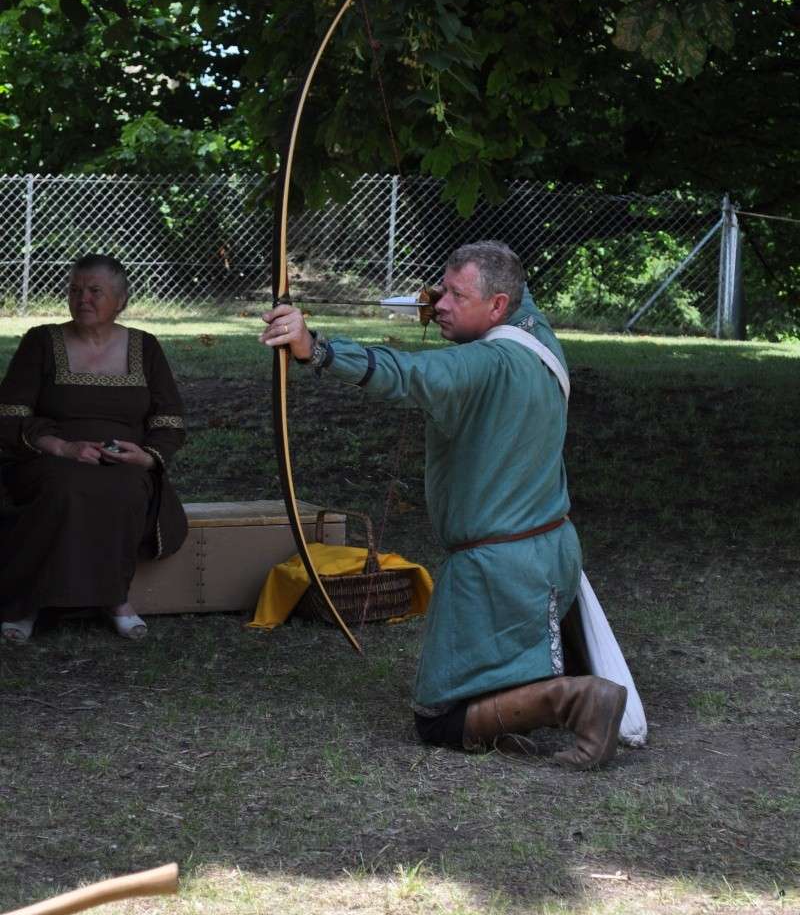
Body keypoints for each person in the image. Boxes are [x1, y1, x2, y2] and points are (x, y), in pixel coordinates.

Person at [260, 239, 627, 770]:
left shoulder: (484, 365)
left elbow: (408, 375)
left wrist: (313, 348)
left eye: (456, 295)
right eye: (440, 291)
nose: (441, 305)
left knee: (437, 720)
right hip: (549, 552)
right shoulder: (535, 332)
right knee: (486, 685)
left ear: (497, 306)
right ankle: (538, 701)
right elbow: (485, 305)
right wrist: (444, 300)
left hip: (497, 571)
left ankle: (575, 700)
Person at [0, 254, 187, 642]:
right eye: (75, 290)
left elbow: (168, 419)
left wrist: (147, 457)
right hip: (49, 457)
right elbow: (10, 413)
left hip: (123, 462)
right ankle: (27, 604)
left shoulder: (145, 347)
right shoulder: (42, 341)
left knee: (123, 489)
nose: (82, 298)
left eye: (94, 291)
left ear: (120, 300)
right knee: (63, 488)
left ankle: (115, 598)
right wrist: (62, 447)